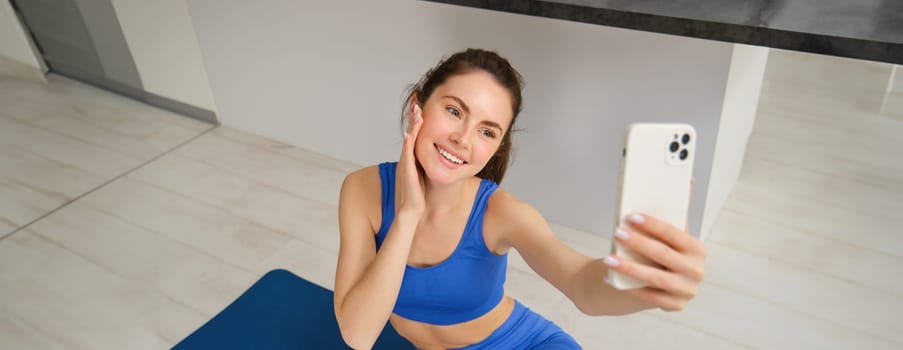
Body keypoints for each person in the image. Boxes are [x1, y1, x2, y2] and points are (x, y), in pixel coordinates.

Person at [334, 48, 708, 349]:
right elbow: (358, 334)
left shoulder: (502, 213)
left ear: (496, 147)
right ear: (418, 107)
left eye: (486, 131)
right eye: (453, 111)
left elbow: (580, 282)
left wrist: (642, 287)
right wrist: (407, 216)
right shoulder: (362, 191)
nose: (463, 139)